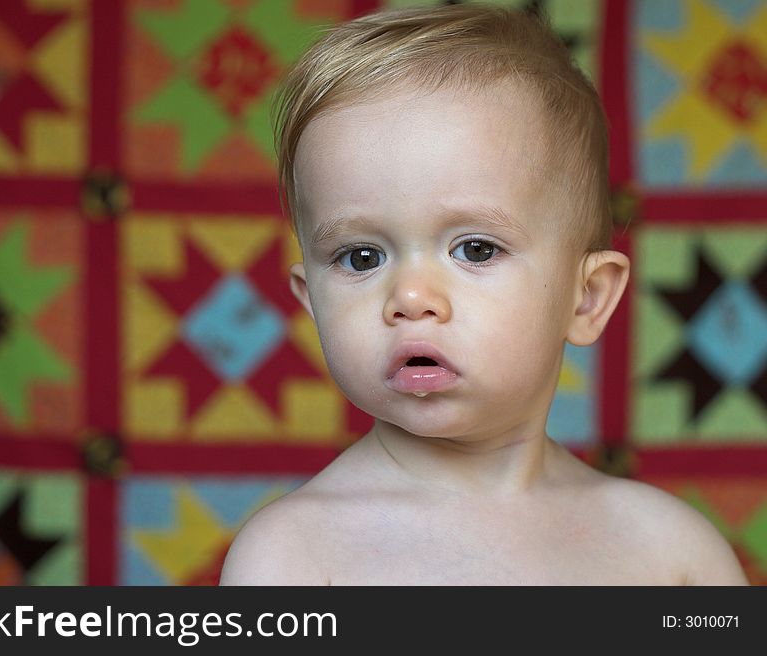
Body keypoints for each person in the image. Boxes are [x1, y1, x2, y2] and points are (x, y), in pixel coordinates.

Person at [219, 3, 749, 585]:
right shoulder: (293, 556)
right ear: (310, 300)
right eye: (361, 257)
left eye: (475, 249)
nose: (412, 297)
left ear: (587, 297)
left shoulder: (673, 555)